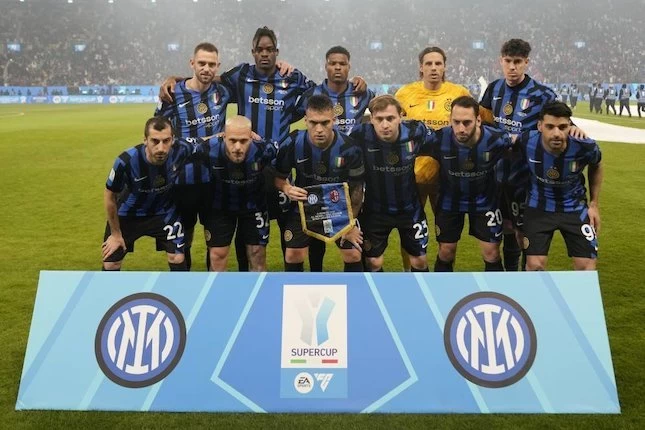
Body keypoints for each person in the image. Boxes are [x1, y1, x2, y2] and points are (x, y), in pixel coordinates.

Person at [294, 45, 376, 272]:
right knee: (315, 233)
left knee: (355, 234)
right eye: (333, 63)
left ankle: (360, 279)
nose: (337, 67)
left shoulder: (363, 93)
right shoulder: (312, 94)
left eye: (342, 64)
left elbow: (382, 111)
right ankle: (315, 276)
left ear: (349, 66)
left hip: (352, 172)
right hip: (318, 170)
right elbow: (289, 117)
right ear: (326, 66)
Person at [154, 42, 232, 271]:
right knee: (183, 240)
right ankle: (184, 286)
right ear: (192, 63)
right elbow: (160, 132)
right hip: (182, 181)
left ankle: (213, 287)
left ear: (217, 66)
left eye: (211, 64)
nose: (206, 68)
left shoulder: (224, 92)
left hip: (215, 181)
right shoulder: (173, 93)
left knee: (215, 245)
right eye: (201, 63)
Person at [394, 46, 470, 270]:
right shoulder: (405, 94)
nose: (434, 68)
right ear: (421, 67)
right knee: (410, 231)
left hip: (447, 178)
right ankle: (409, 274)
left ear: (444, 67)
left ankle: (444, 276)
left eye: (438, 63)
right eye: (429, 63)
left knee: (448, 235)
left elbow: (475, 126)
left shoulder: (459, 93)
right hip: (411, 177)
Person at [273, 95, 365, 272]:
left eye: (325, 123)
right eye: (313, 123)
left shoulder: (350, 148)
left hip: (339, 208)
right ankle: (296, 289)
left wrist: (351, 223)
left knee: (353, 253)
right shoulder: (293, 142)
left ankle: (355, 289)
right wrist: (286, 188)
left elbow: (357, 190)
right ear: (305, 121)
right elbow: (278, 177)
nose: (319, 129)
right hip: (304, 207)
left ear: (334, 120)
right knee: (293, 254)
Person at [102, 117, 206, 271]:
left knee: (177, 258)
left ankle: (181, 287)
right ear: (145, 140)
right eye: (155, 141)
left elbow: (204, 140)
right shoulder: (126, 161)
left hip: (164, 212)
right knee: (111, 264)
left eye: (166, 141)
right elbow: (109, 195)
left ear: (173, 139)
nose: (161, 148)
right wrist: (116, 234)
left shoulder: (181, 148)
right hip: (128, 214)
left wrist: (225, 134)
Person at [349, 95, 435, 272]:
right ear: (371, 119)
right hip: (375, 211)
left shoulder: (416, 131)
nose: (385, 125)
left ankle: (419, 290)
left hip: (410, 210)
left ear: (400, 116)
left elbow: (444, 143)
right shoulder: (360, 134)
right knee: (373, 263)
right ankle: (376, 290)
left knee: (419, 261)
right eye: (379, 119)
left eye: (390, 118)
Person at [430, 96, 513, 272]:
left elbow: (527, 140)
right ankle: (440, 288)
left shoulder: (496, 139)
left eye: (467, 122)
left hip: (485, 201)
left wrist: (572, 129)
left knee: (492, 253)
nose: (461, 128)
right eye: (456, 122)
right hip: (449, 202)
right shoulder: (439, 139)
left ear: (478, 120)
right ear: (450, 120)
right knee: (446, 252)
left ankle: (497, 289)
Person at [518, 102, 603, 271]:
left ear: (570, 126)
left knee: (587, 267)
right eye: (550, 127)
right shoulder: (526, 141)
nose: (556, 133)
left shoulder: (584, 145)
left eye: (562, 127)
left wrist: (594, 204)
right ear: (540, 126)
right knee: (534, 266)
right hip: (538, 208)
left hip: (574, 208)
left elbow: (597, 164)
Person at [202, 116, 277, 271]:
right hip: (219, 207)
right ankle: (216, 287)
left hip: (254, 206)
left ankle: (258, 287)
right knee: (217, 255)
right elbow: (179, 146)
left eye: (243, 141)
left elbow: (285, 159)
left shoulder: (265, 149)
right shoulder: (208, 148)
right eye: (232, 140)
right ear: (224, 137)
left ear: (252, 137)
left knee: (257, 254)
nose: (237, 147)